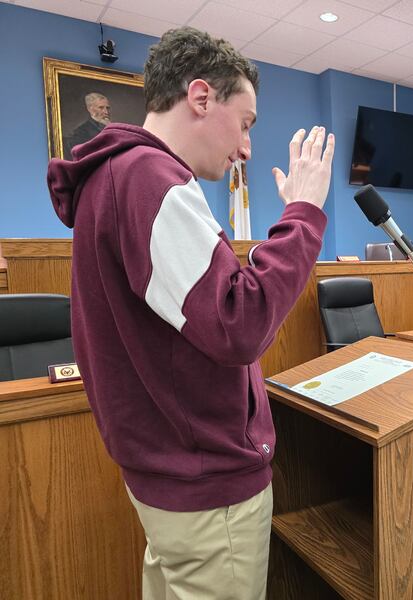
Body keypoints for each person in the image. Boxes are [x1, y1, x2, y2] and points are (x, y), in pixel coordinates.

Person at [47, 26, 334, 599]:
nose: (247, 148)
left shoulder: (113, 177)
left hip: (168, 469)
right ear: (201, 98)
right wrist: (302, 215)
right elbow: (240, 322)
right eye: (246, 122)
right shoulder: (150, 179)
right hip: (205, 478)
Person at [64, 92, 111, 157]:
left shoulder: (112, 128)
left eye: (107, 108)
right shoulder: (80, 132)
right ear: (90, 109)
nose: (106, 112)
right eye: (101, 108)